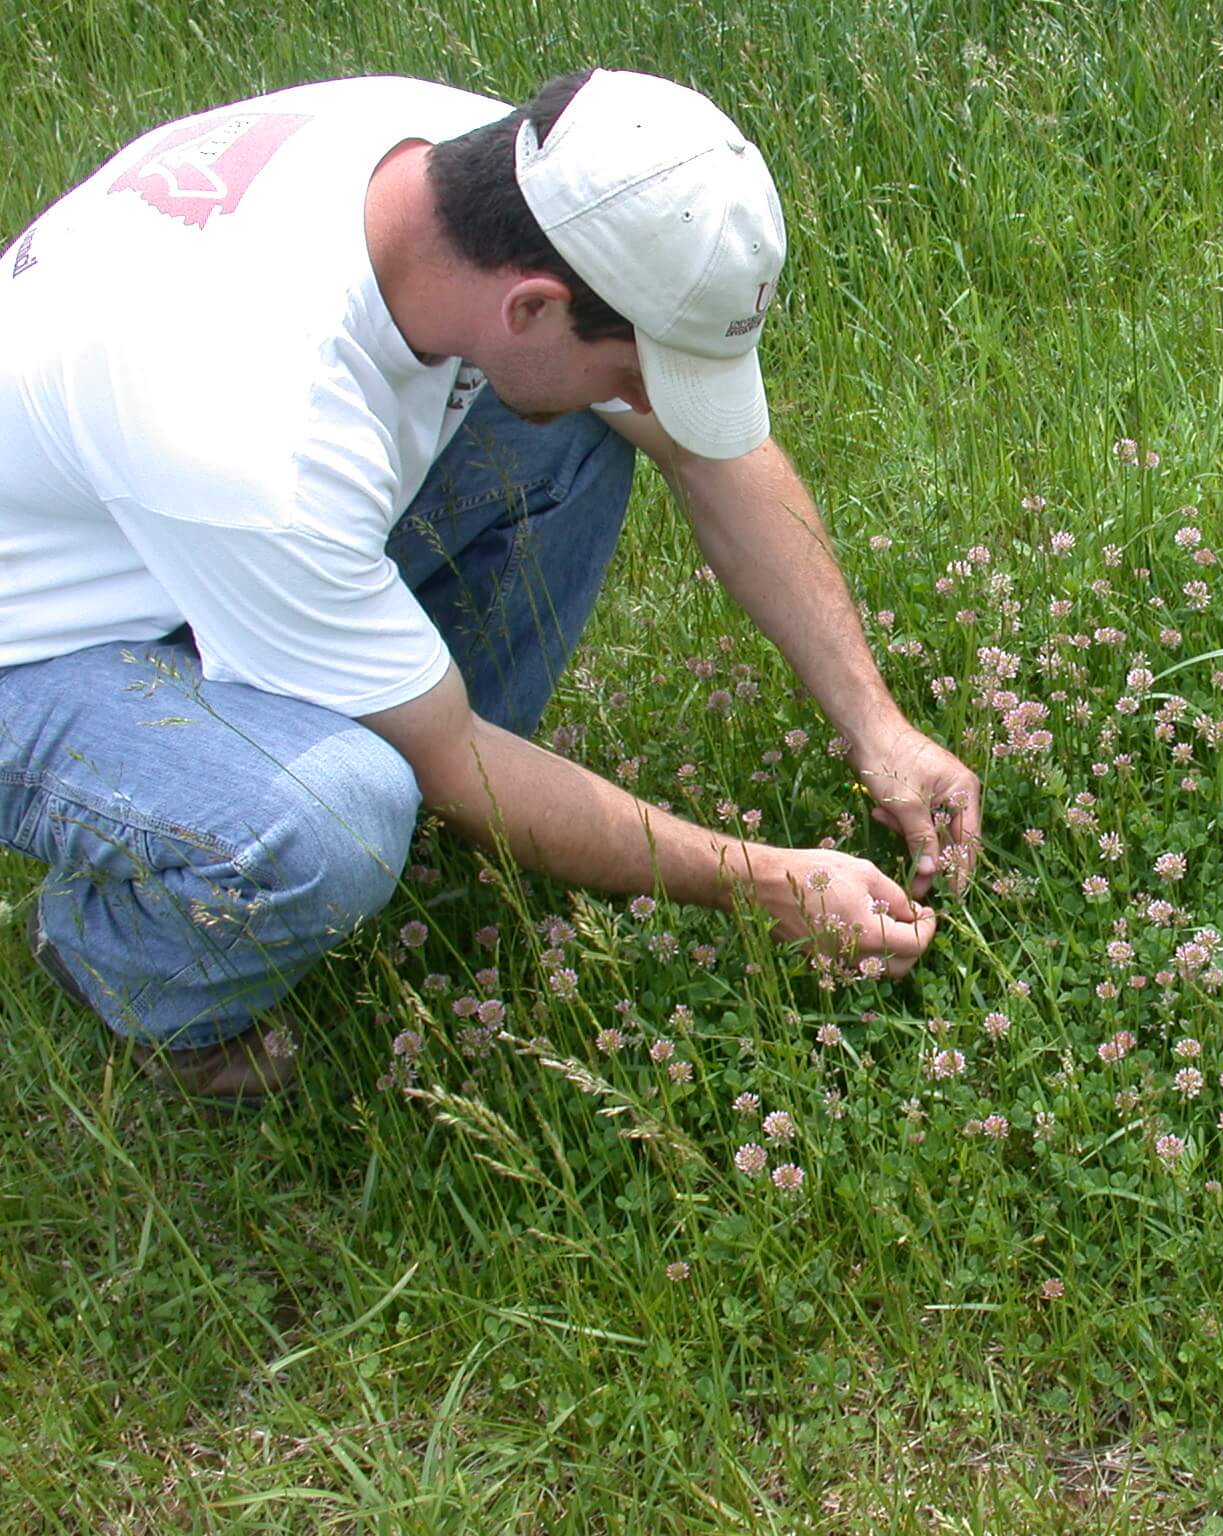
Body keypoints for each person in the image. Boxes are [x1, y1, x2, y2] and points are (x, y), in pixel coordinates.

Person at [0, 68, 981, 1102]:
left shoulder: (480, 165)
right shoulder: (256, 433)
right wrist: (765, 882)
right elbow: (450, 757)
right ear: (533, 307)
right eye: (638, 367)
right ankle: (123, 963)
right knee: (335, 813)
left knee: (570, 437)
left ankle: (392, 747)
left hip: (165, 524)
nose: (647, 399)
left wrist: (877, 726)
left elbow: (709, 457)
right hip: (37, 650)